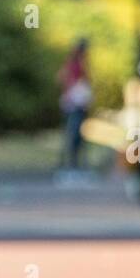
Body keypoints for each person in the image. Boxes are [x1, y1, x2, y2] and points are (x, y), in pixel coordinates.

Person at [55, 38, 93, 185]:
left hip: (79, 104)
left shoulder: (79, 64)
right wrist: (70, 95)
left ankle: (74, 164)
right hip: (74, 104)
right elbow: (65, 79)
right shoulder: (74, 64)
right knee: (73, 134)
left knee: (77, 136)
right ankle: (69, 165)